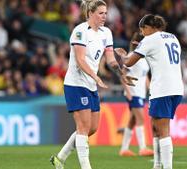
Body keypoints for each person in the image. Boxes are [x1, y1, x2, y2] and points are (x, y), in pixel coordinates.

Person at [50, 1, 135, 169]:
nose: (105, 16)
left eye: (105, 13)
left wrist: (121, 75)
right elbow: (80, 60)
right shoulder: (80, 31)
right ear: (90, 13)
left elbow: (110, 60)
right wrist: (95, 76)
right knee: (82, 127)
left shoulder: (106, 33)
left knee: (92, 128)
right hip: (76, 84)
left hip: (91, 84)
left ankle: (59, 158)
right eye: (101, 13)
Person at [115, 14, 184, 169]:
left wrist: (123, 55)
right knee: (155, 125)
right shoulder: (172, 37)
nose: (142, 32)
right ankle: (157, 165)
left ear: (149, 27)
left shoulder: (150, 39)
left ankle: (166, 167)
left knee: (163, 129)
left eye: (143, 29)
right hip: (177, 88)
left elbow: (129, 62)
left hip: (162, 88)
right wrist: (143, 46)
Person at [119, 32, 153, 157]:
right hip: (133, 93)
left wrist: (151, 89)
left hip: (141, 93)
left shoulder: (143, 58)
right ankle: (143, 148)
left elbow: (145, 77)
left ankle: (124, 149)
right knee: (141, 119)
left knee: (133, 121)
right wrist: (128, 92)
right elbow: (123, 74)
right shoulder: (131, 57)